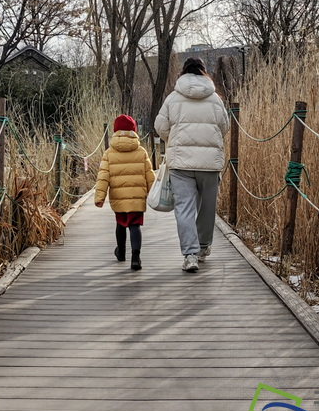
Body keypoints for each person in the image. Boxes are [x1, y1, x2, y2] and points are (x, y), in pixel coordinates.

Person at [154, 57, 229, 273]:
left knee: (184, 210)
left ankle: (190, 255)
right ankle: (204, 247)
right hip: (209, 164)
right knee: (206, 208)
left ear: (183, 73)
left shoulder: (173, 97)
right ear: (203, 72)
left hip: (181, 163)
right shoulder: (215, 98)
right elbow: (224, 127)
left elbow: (161, 126)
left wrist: (174, 139)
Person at [94, 114, 155, 271]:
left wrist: (99, 197)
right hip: (137, 197)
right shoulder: (141, 151)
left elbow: (103, 177)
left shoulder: (109, 153)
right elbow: (150, 175)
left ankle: (121, 252)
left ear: (115, 131)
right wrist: (154, 192)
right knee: (135, 225)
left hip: (119, 197)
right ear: (134, 131)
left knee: (121, 223)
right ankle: (136, 257)